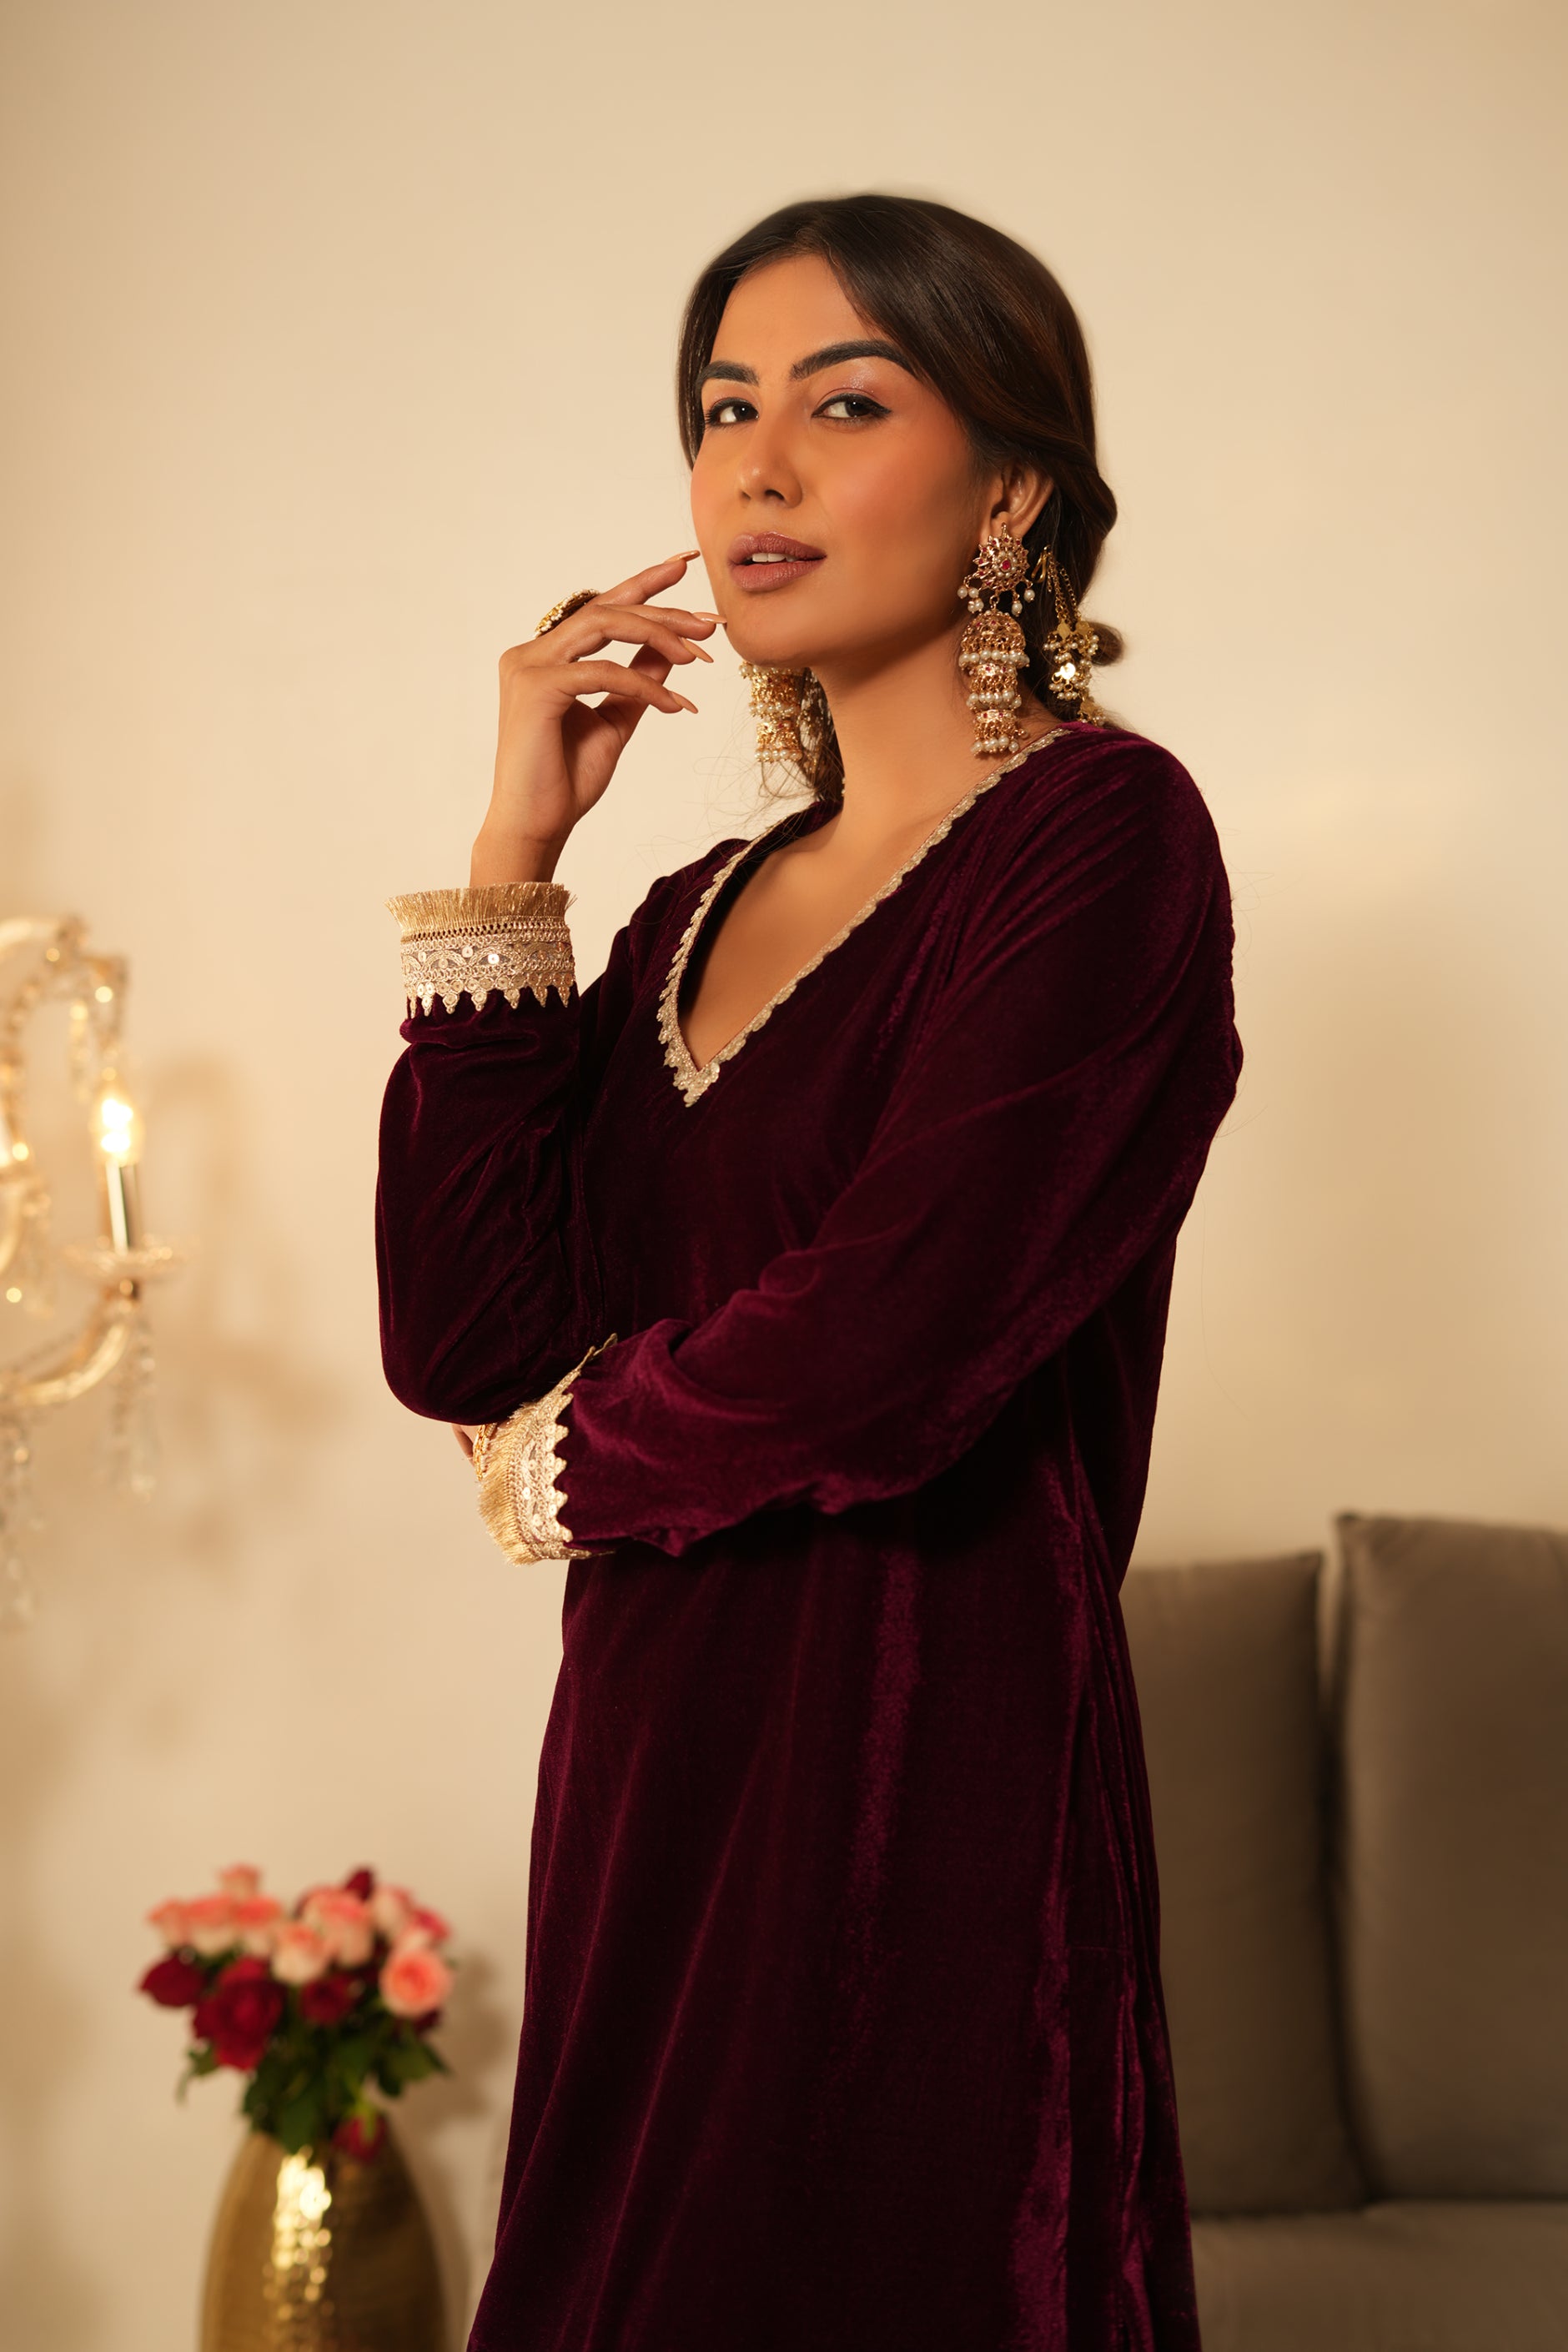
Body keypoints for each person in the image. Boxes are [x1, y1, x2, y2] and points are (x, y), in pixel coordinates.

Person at [376, 192, 1241, 2352]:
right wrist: (514, 867)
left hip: (917, 1790)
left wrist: (564, 1465)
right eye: (721, 410)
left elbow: (898, 1334)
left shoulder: (1101, 843)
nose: (753, 465)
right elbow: (465, 1335)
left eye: (842, 404)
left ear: (1015, 486)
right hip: (653, 1789)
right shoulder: (678, 914)